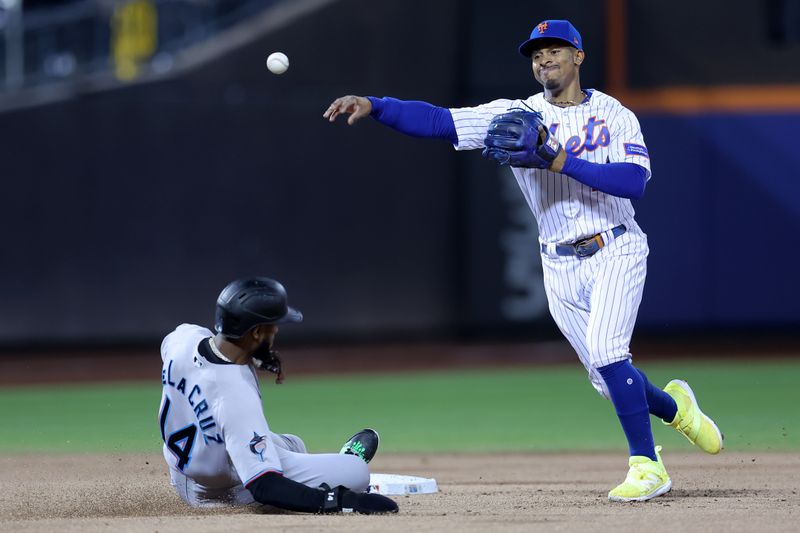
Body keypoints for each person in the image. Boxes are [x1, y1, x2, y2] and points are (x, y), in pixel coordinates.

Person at [323, 19, 723, 502]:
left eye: (554, 49)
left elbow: (633, 182)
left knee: (607, 352)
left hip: (615, 245)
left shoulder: (615, 114)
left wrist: (557, 160)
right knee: (605, 378)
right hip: (556, 262)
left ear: (578, 56)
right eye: (536, 53)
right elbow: (437, 120)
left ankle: (647, 465)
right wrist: (376, 106)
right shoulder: (513, 113)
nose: (543, 58)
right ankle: (676, 407)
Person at [158, 276, 398, 513]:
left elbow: (200, 373)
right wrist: (344, 500)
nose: (275, 332)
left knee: (294, 444)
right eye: (272, 327)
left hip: (181, 471)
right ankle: (345, 463)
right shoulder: (235, 395)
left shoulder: (185, 337)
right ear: (255, 333)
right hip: (221, 493)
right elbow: (265, 486)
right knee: (356, 471)